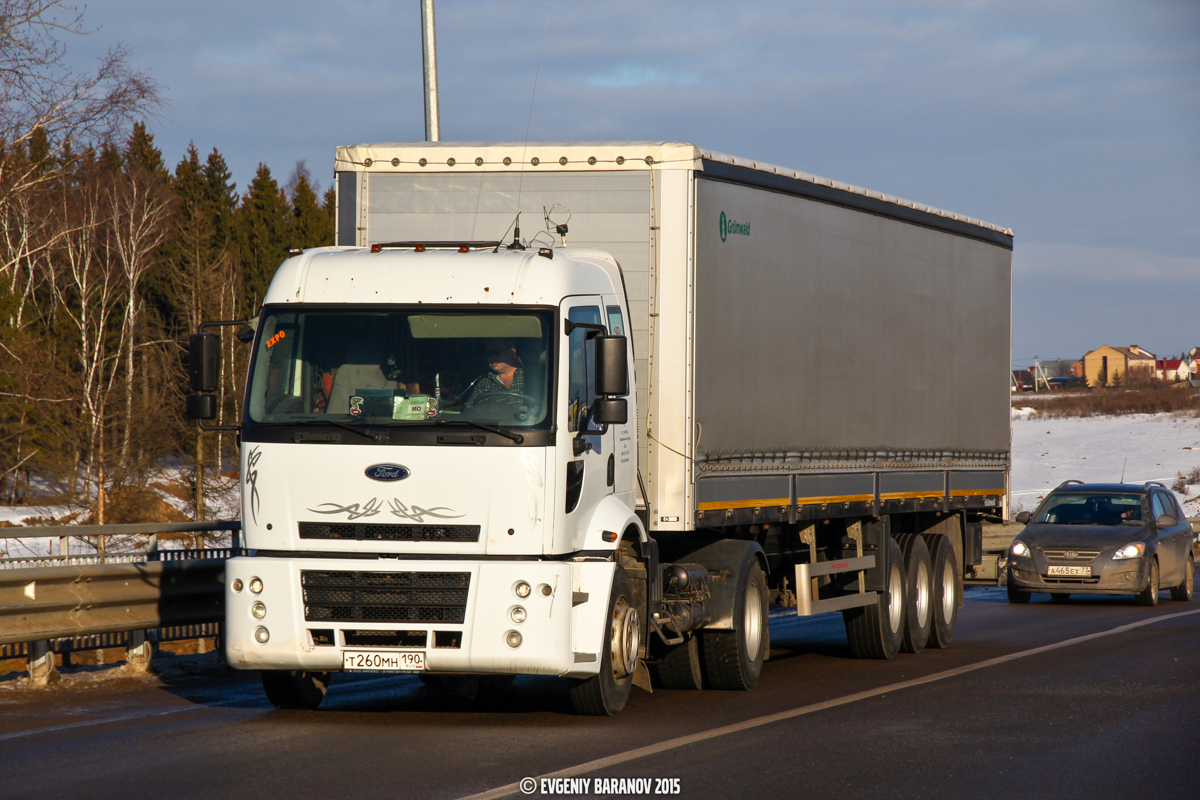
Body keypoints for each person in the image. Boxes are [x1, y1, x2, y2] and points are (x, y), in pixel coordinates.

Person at [465, 338, 526, 408]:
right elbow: (470, 411)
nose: (492, 357)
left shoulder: (530, 375)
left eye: (497, 352)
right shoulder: (484, 383)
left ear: (512, 351)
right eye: (488, 353)